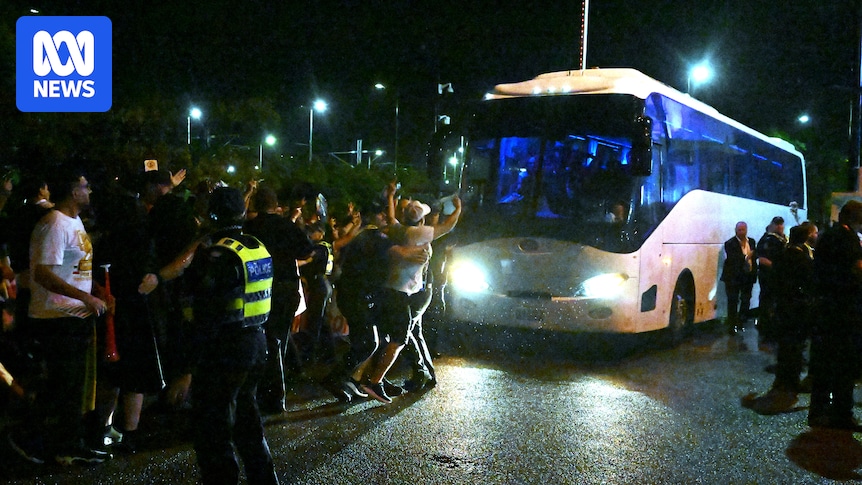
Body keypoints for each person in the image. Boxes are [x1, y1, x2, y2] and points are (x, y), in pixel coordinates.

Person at [8, 168, 111, 465]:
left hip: (74, 315)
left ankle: (69, 445)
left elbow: (75, 269)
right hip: (55, 317)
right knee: (61, 386)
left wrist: (98, 291)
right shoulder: (53, 224)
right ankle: (32, 439)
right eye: (85, 186)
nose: (89, 191)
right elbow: (43, 273)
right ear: (72, 190)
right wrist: (85, 297)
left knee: (72, 387)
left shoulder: (73, 221)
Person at [186, 187, 279, 484]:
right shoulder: (256, 247)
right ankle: (264, 478)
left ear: (212, 215)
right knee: (247, 419)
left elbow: (208, 313)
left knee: (214, 425)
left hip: (225, 346)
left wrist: (188, 366)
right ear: (242, 212)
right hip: (257, 341)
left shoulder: (216, 254)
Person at [360, 191, 462, 403]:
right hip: (401, 293)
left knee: (393, 336)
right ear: (422, 220)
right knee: (400, 338)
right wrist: (458, 208)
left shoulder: (399, 231)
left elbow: (391, 219)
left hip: (391, 290)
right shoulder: (419, 234)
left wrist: (390, 198)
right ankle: (374, 381)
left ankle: (370, 377)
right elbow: (449, 226)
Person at [243, 186, 317, 411]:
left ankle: (261, 394)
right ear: (275, 205)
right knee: (278, 341)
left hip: (258, 289)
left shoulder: (250, 227)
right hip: (285, 289)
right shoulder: (287, 226)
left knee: (261, 340)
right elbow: (307, 251)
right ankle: (276, 396)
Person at [741, 222, 817, 415]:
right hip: (796, 308)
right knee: (794, 346)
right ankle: (790, 381)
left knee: (787, 346)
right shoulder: (800, 256)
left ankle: (785, 380)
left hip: (786, 307)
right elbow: (807, 280)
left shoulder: (786, 254)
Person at [807, 201, 862, 431]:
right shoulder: (847, 238)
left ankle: (819, 411)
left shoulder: (828, 236)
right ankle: (841, 413)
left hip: (825, 310)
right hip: (843, 312)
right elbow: (857, 268)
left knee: (823, 363)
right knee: (843, 364)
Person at [720, 221, 757, 335]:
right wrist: (747, 256)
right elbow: (734, 258)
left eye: (743, 230)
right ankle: (732, 325)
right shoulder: (730, 243)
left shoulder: (751, 241)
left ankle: (741, 321)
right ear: (736, 231)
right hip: (734, 277)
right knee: (733, 301)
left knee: (746, 300)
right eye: (739, 230)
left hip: (748, 276)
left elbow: (755, 256)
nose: (741, 232)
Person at [756, 216, 787, 343]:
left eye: (781, 224)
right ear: (772, 225)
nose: (780, 227)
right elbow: (762, 259)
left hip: (776, 276)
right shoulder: (768, 240)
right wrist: (777, 267)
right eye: (777, 224)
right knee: (767, 301)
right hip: (769, 276)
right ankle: (766, 329)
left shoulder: (781, 238)